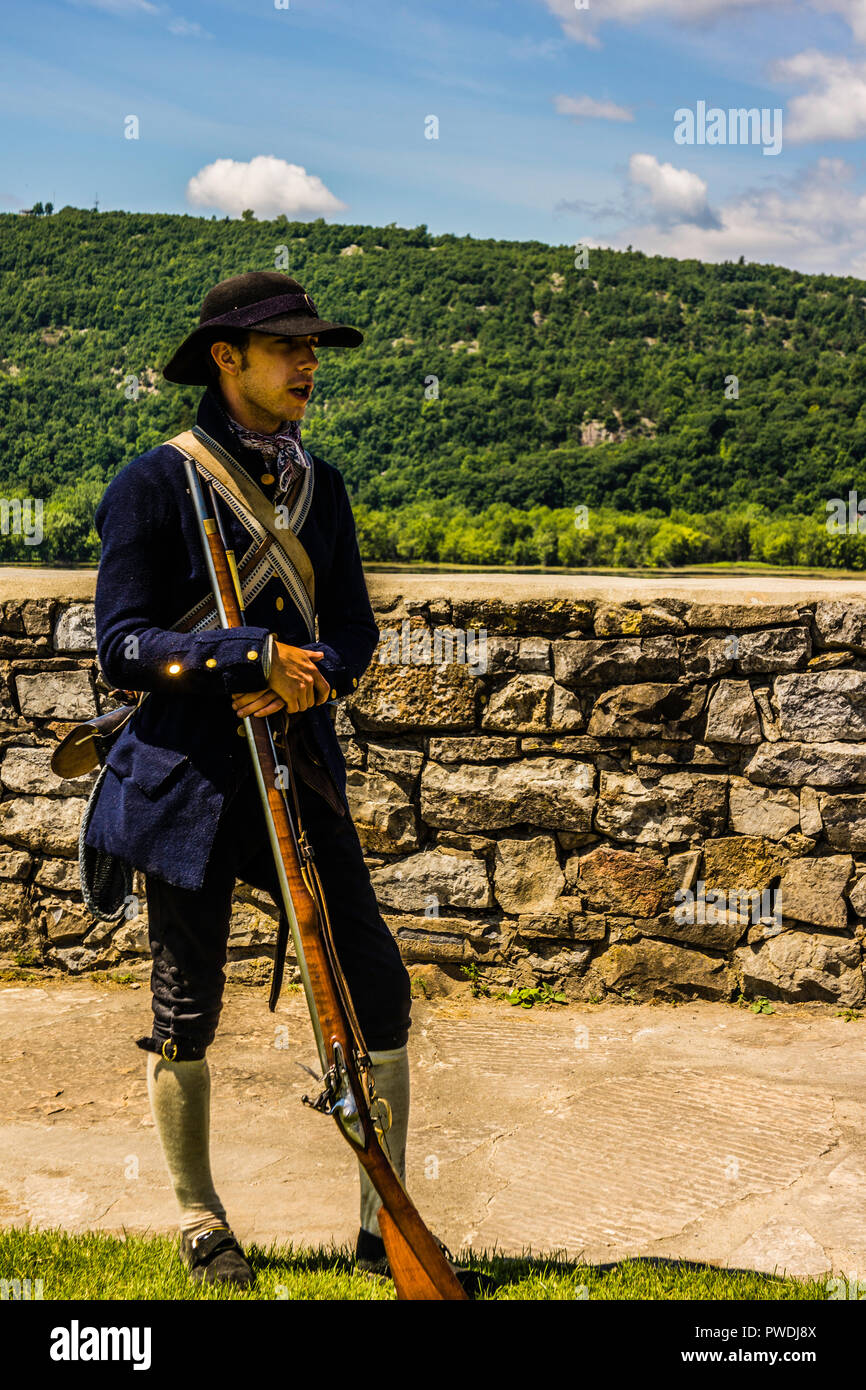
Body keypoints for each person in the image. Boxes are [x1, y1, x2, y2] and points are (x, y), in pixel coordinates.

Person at [85, 271, 413, 1286]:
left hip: (299, 775)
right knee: (186, 1005)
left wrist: (311, 681)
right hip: (186, 781)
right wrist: (243, 661)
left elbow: (351, 632)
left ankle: (382, 1226)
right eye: (289, 348)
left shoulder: (322, 486)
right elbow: (121, 647)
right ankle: (199, 1218)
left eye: (314, 348)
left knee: (377, 991)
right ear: (226, 359)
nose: (309, 363)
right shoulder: (153, 484)